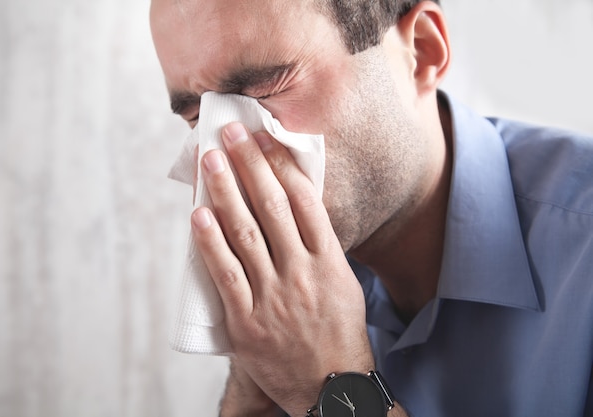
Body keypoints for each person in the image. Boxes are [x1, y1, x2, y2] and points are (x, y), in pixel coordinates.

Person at [150, 0, 593, 415]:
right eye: (196, 118)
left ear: (421, 52)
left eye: (266, 87)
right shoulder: (284, 297)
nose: (224, 149)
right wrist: (256, 391)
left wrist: (328, 382)